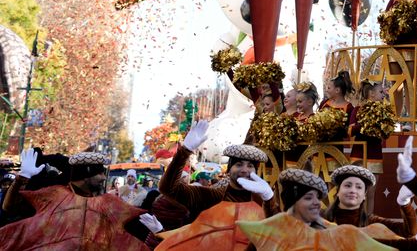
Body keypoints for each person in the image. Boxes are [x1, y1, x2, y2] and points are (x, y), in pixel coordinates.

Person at [1, 149, 162, 249]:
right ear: (86, 175)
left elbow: (132, 235)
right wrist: (21, 179)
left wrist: (158, 234)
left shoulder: (109, 205)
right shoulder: (54, 195)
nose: (102, 178)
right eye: (99, 173)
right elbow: (9, 206)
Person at [158, 120, 278, 220]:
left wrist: (269, 199)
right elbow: (168, 189)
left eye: (250, 166)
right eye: (239, 164)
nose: (244, 170)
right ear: (229, 170)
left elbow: (280, 232)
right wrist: (184, 151)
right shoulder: (213, 197)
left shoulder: (262, 200)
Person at [326, 164, 417, 250]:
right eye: (348, 185)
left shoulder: (372, 222)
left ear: (364, 195)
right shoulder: (320, 219)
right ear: (338, 192)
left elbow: (410, 233)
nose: (353, 190)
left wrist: (404, 202)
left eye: (359, 187)